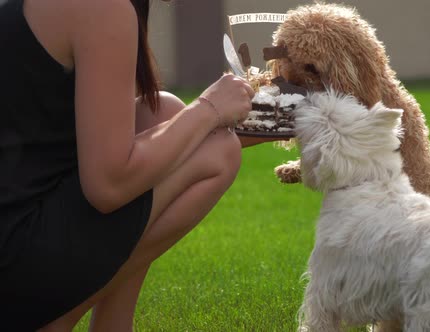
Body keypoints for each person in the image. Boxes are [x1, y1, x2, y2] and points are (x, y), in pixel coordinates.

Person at [0, 0, 279, 330]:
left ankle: (113, 324)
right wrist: (207, 109)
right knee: (220, 152)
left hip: (21, 234)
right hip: (15, 269)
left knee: (160, 113)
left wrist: (277, 120)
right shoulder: (103, 8)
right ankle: (50, 323)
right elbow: (108, 185)